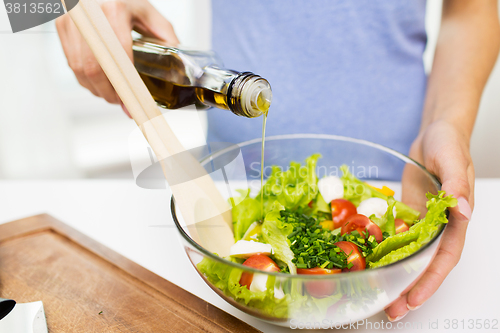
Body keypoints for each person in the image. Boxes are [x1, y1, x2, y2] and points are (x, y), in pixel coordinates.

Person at [56, 0, 500, 322]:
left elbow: (474, 10)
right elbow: (23, 5)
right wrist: (57, 5)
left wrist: (448, 123)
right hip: (230, 183)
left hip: (402, 173)